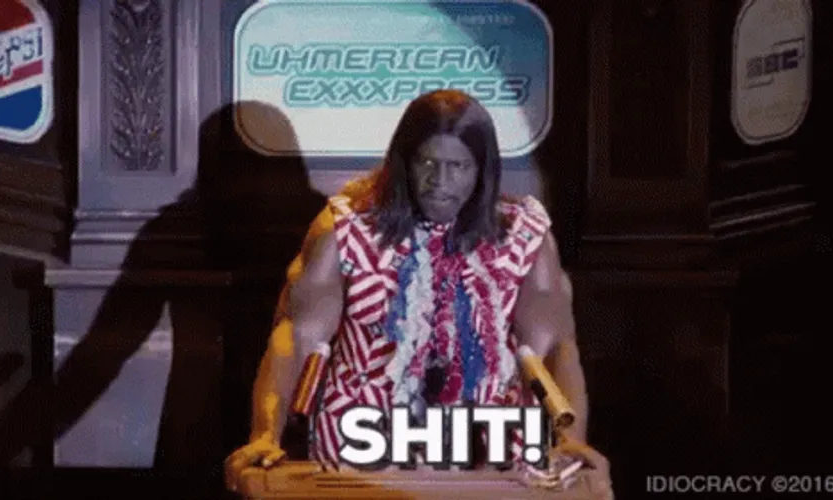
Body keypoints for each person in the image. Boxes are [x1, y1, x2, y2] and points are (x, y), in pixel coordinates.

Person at [225, 90, 612, 497]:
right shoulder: (347, 228)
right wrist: (265, 434)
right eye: (427, 163)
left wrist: (570, 440)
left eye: (458, 166)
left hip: (490, 452)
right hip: (364, 447)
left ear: (482, 170)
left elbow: (553, 348)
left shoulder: (522, 234)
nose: (440, 183)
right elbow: (297, 336)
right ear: (404, 161)